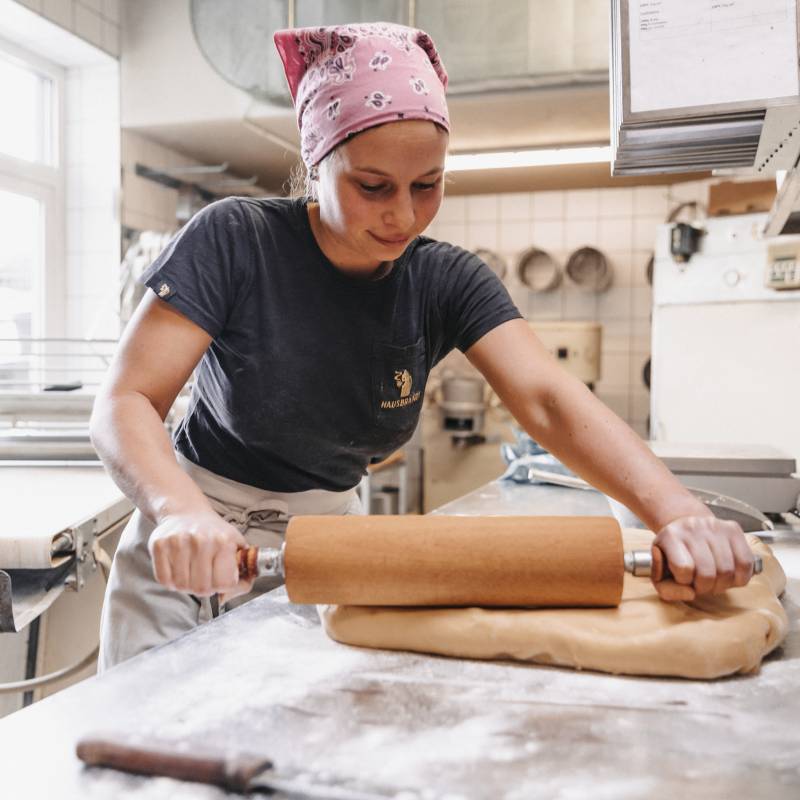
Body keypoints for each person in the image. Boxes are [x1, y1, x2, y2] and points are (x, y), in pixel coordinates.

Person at [92, 22, 756, 670]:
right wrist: (178, 512)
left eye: (428, 185)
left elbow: (550, 401)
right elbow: (126, 401)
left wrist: (678, 514)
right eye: (372, 187)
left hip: (327, 553)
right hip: (190, 540)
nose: (404, 217)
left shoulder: (444, 280)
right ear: (317, 163)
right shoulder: (235, 241)